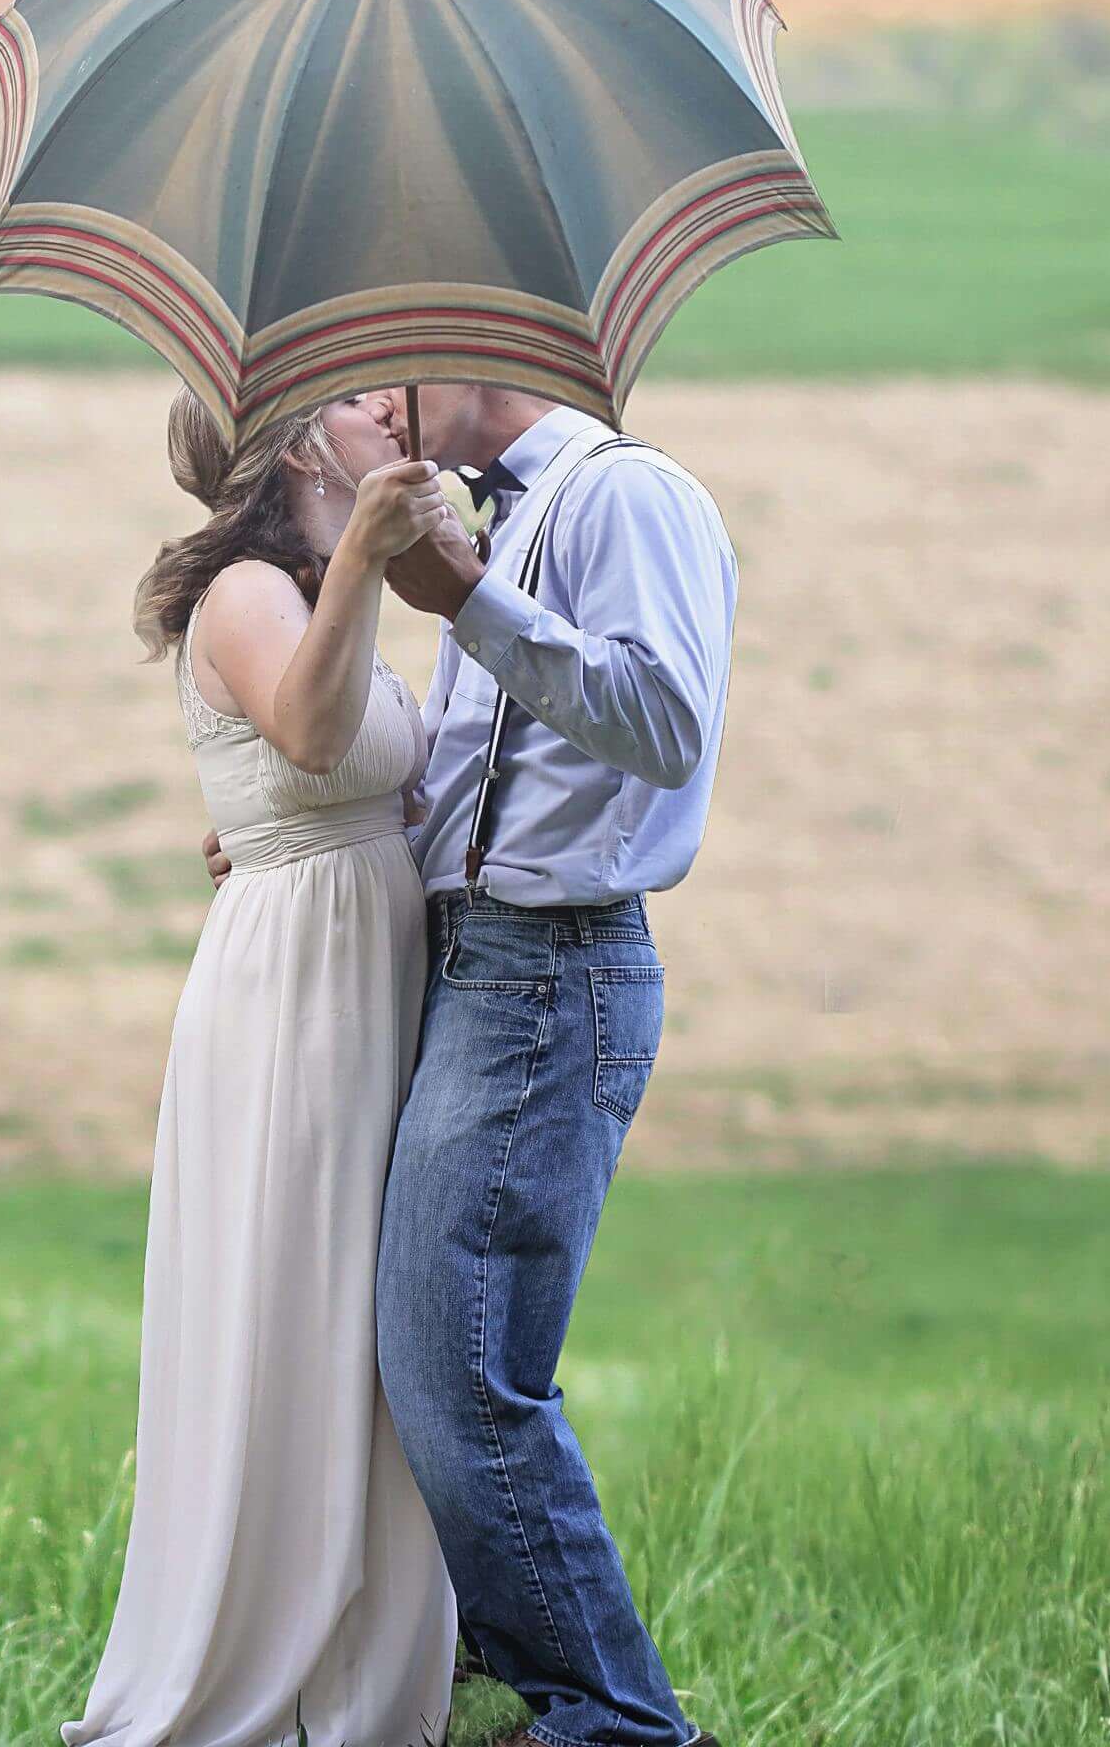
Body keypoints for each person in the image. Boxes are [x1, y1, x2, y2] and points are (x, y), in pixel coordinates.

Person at [65, 386, 466, 1747]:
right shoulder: (248, 589)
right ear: (301, 445)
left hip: (365, 968)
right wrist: (366, 551)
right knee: (298, 1300)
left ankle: (374, 1669)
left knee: (368, 1322)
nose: (390, 414)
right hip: (296, 992)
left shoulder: (314, 589)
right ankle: (278, 1668)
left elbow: (371, 773)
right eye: (359, 403)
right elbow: (306, 736)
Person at [366, 378, 734, 1747]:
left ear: (476, 350)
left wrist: (467, 599)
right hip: (482, 967)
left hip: (548, 969)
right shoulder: (499, 520)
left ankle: (616, 1725)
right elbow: (472, 786)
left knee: (464, 1370)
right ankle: (509, 1689)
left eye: (395, 374)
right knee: (427, 1359)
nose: (382, 417)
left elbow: (667, 722)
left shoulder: (625, 495)